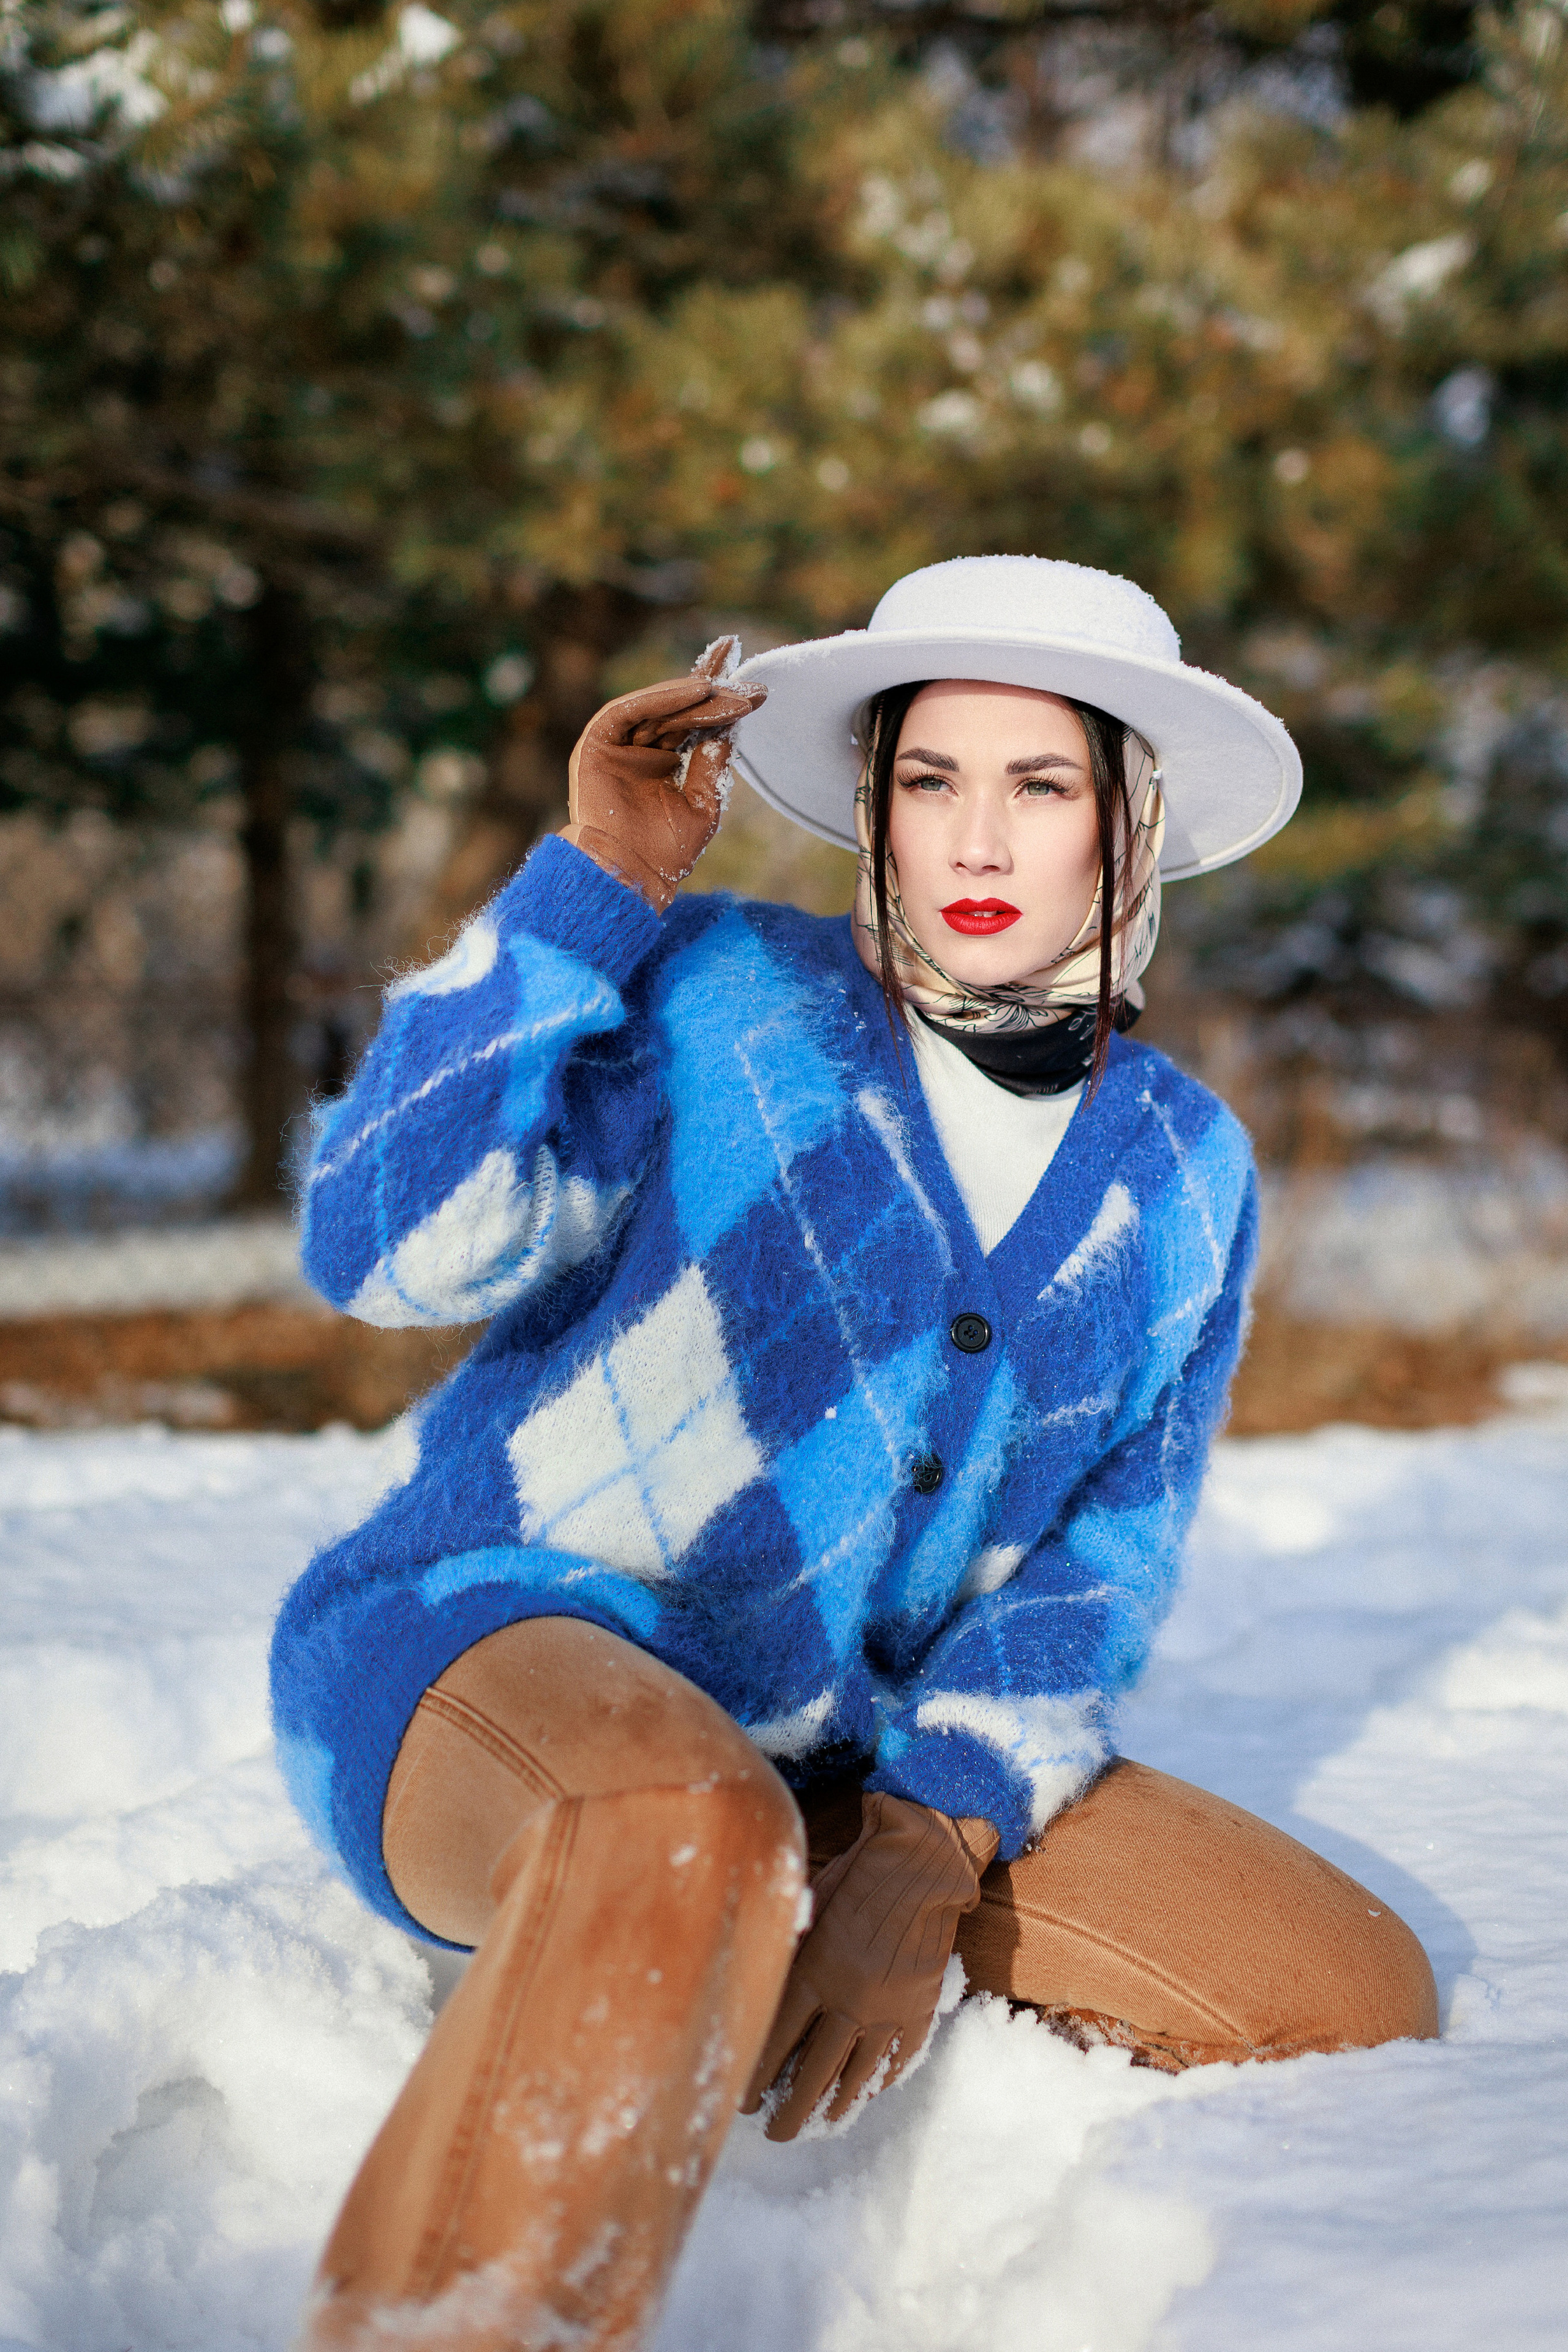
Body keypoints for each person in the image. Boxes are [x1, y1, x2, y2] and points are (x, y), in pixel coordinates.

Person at [272, 557, 1438, 2351]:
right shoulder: (721, 993)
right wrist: (591, 890)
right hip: (492, 1649)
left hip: (832, 1747)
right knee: (679, 1821)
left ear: (1128, 824)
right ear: (877, 804)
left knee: (1341, 1985)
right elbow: (383, 1247)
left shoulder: (1184, 1168)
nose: (976, 839)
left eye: (1040, 787)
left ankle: (755, 1900)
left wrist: (933, 1831)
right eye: (930, 779)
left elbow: (1102, 1558)